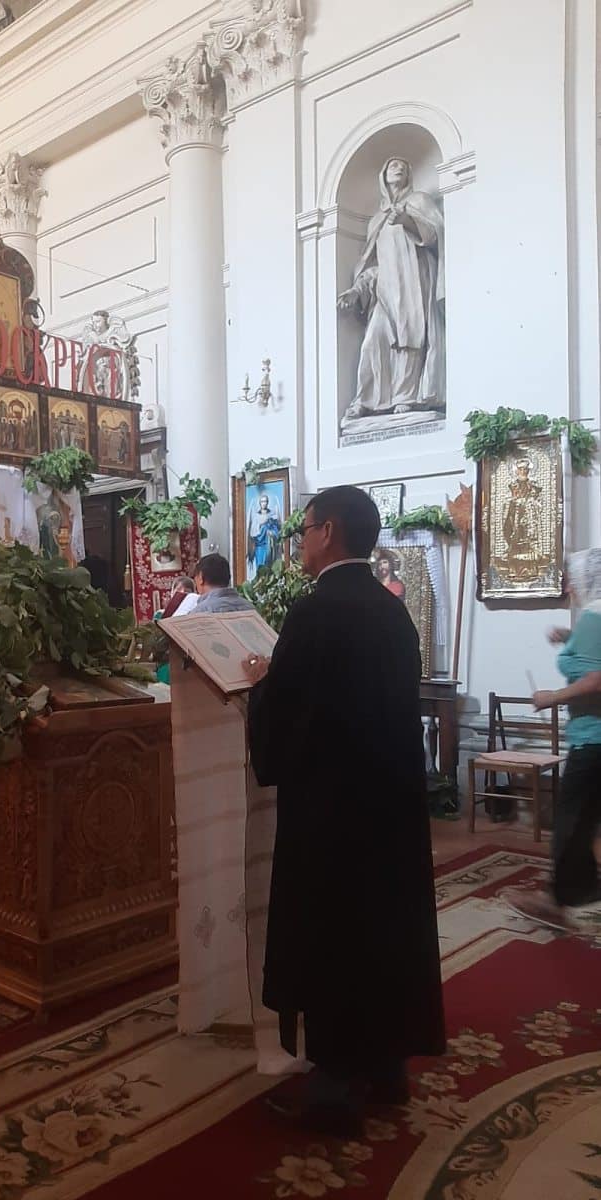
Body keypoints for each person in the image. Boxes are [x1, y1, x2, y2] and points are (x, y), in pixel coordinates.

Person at [245, 485, 444, 1135]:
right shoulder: (393, 612)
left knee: (331, 938)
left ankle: (333, 1089)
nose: (300, 541)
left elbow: (290, 711)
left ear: (328, 531)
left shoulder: (316, 611)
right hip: (391, 811)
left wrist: (259, 684)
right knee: (384, 934)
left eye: (304, 529)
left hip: (332, 817)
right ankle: (386, 1069)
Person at [507, 548, 601, 925]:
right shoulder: (594, 619)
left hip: (593, 736)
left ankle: (555, 899)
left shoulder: (594, 617)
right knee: (586, 817)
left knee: (571, 818)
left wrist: (552, 698)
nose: (569, 587)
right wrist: (570, 638)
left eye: (572, 579)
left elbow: (596, 680)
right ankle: (583, 887)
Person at [338, 158, 444, 420]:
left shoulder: (419, 201)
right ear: (383, 175)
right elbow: (374, 265)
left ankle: (406, 397)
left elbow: (435, 236)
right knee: (372, 341)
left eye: (404, 167)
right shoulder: (377, 220)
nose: (399, 168)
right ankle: (366, 399)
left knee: (411, 339)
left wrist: (408, 221)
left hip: (414, 282)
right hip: (386, 290)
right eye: (393, 165)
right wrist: (356, 290)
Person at [246, 493, 282, 581]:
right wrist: (261, 527)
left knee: (268, 566)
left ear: (267, 502)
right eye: (262, 501)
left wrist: (271, 533)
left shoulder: (272, 515)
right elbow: (253, 532)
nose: (264, 503)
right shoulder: (256, 516)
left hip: (268, 546)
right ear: (260, 503)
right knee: (260, 566)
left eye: (265, 501)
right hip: (259, 546)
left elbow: (277, 531)